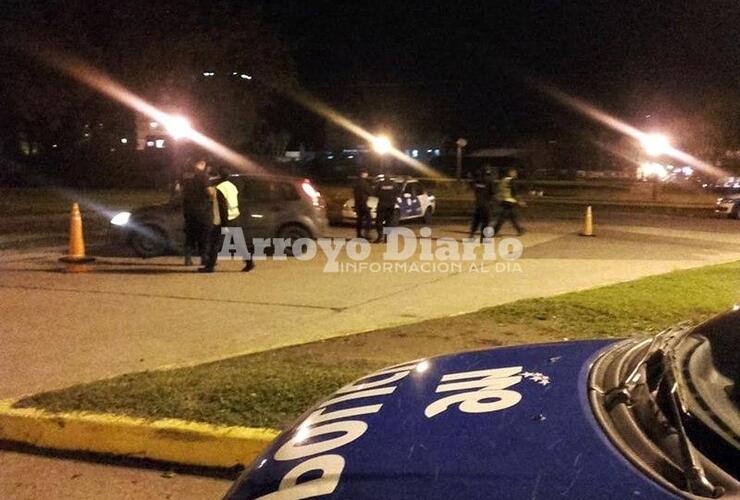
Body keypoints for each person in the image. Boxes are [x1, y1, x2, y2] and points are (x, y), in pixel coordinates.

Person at [200, 167, 255, 273]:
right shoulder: (232, 186)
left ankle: (210, 266)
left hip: (223, 220)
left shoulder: (220, 188)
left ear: (219, 176)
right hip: (234, 216)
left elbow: (222, 207)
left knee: (214, 243)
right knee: (240, 243)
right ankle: (249, 263)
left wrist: (224, 224)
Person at [180, 159, 211, 266]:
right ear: (201, 163)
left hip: (188, 209)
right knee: (203, 234)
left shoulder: (185, 175)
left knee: (190, 235)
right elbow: (208, 191)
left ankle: (187, 259)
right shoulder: (203, 176)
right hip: (201, 209)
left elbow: (181, 190)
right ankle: (204, 258)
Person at [493, 168, 526, 236]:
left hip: (503, 200)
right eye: (514, 172)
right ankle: (494, 231)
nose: (516, 174)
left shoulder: (503, 180)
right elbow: (514, 192)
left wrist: (498, 198)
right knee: (503, 217)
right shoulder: (511, 181)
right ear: (510, 173)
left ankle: (519, 230)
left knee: (512, 216)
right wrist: (520, 201)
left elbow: (499, 190)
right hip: (510, 201)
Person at [469, 167, 494, 241]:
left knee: (477, 219)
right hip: (486, 203)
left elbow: (474, 188)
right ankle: (483, 238)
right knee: (486, 220)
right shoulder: (489, 180)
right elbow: (492, 192)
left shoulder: (477, 180)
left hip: (478, 203)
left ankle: (472, 234)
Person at [374, 174, 397, 243]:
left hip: (382, 205)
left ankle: (380, 236)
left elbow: (375, 193)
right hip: (391, 205)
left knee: (379, 221)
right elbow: (397, 192)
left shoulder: (380, 184)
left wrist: (381, 196)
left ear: (384, 177)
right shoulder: (394, 184)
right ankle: (386, 238)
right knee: (389, 222)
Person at [353, 170, 373, 239]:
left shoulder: (356, 182)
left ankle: (358, 234)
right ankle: (367, 234)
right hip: (363, 203)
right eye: (366, 173)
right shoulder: (364, 183)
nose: (367, 175)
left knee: (359, 219)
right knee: (369, 218)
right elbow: (370, 192)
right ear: (363, 174)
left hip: (357, 203)